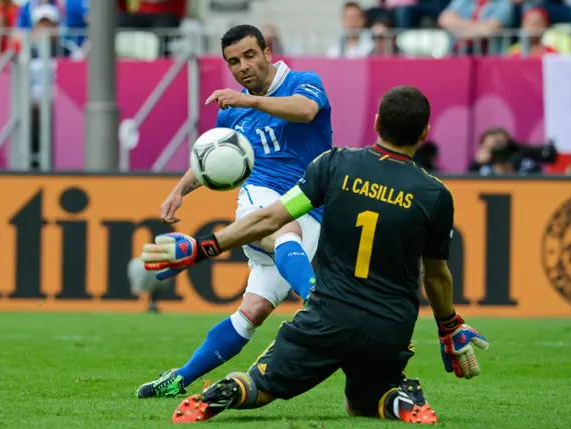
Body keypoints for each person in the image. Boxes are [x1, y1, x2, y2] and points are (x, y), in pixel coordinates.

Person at [141, 86, 489, 424]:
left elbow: (269, 218)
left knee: (260, 385)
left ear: (377, 122)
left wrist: (204, 247)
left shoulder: (335, 165)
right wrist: (449, 326)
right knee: (364, 402)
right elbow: (437, 275)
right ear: (425, 132)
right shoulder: (435, 194)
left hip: (327, 314)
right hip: (389, 324)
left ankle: (229, 390)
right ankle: (398, 398)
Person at [136, 23, 333, 398]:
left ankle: (181, 377)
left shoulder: (303, 82)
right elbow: (215, 157)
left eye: (248, 56)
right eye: (233, 61)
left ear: (267, 52)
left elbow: (307, 111)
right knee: (283, 231)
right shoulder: (232, 113)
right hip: (261, 200)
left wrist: (249, 101)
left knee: (252, 312)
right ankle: (316, 302)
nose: (242, 66)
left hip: (313, 207)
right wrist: (180, 189)